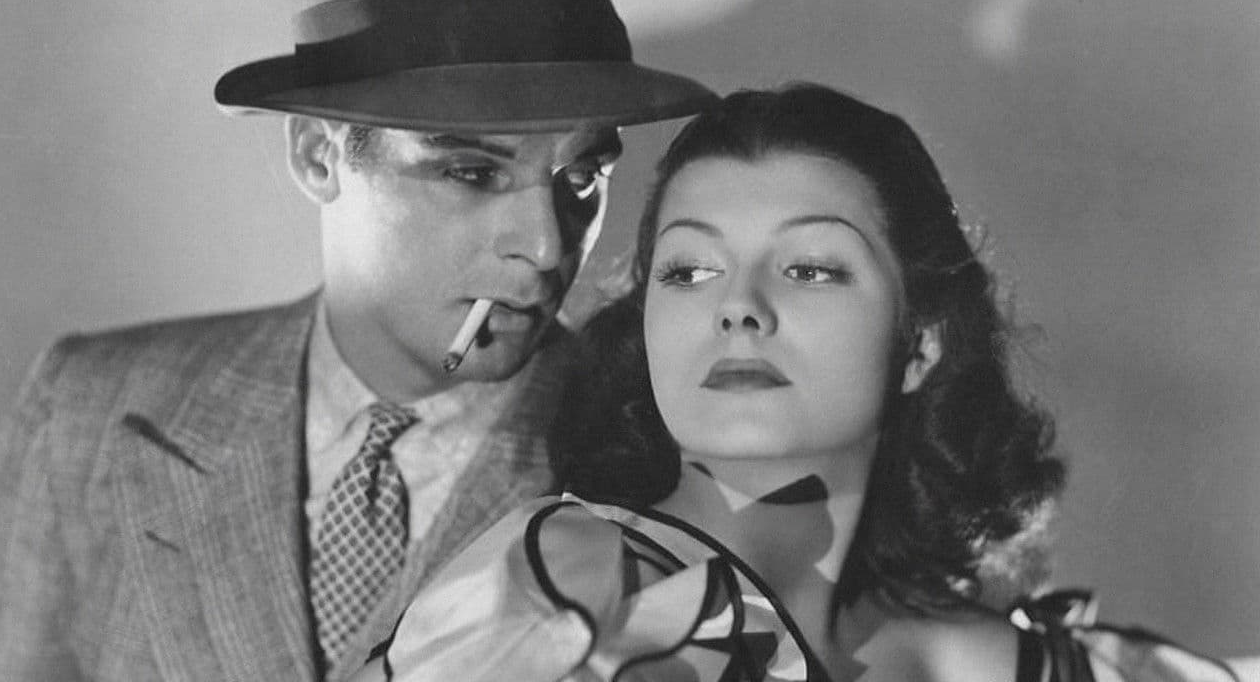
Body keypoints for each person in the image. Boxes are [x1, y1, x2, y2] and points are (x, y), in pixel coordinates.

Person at [0, 0, 716, 680]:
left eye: (582, 177)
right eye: (473, 172)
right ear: (317, 155)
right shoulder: (87, 413)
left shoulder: (657, 454)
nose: (547, 246)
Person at [365, 84, 1241, 681]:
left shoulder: (1050, 662)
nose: (739, 309)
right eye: (689, 271)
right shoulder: (564, 600)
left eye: (811, 269)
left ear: (920, 345)